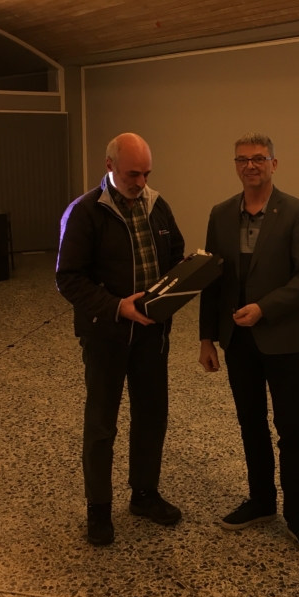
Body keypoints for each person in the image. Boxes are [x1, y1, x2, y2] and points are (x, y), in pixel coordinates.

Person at [198, 132, 299, 556]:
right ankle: (261, 501)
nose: (249, 165)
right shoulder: (220, 214)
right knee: (250, 423)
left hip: (281, 338)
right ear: (235, 165)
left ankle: (298, 514)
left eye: (258, 158)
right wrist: (206, 338)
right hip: (237, 340)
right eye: (242, 159)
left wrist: (264, 308)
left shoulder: (297, 212)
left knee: (291, 429)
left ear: (274, 163)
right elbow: (211, 280)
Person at [56, 132, 185, 546]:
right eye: (133, 174)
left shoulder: (157, 205)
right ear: (110, 166)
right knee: (101, 424)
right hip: (106, 335)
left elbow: (175, 257)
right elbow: (68, 278)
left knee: (152, 416)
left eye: (147, 173)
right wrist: (116, 307)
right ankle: (99, 508)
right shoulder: (85, 212)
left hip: (151, 335)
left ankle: (144, 494)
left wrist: (179, 284)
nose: (141, 182)